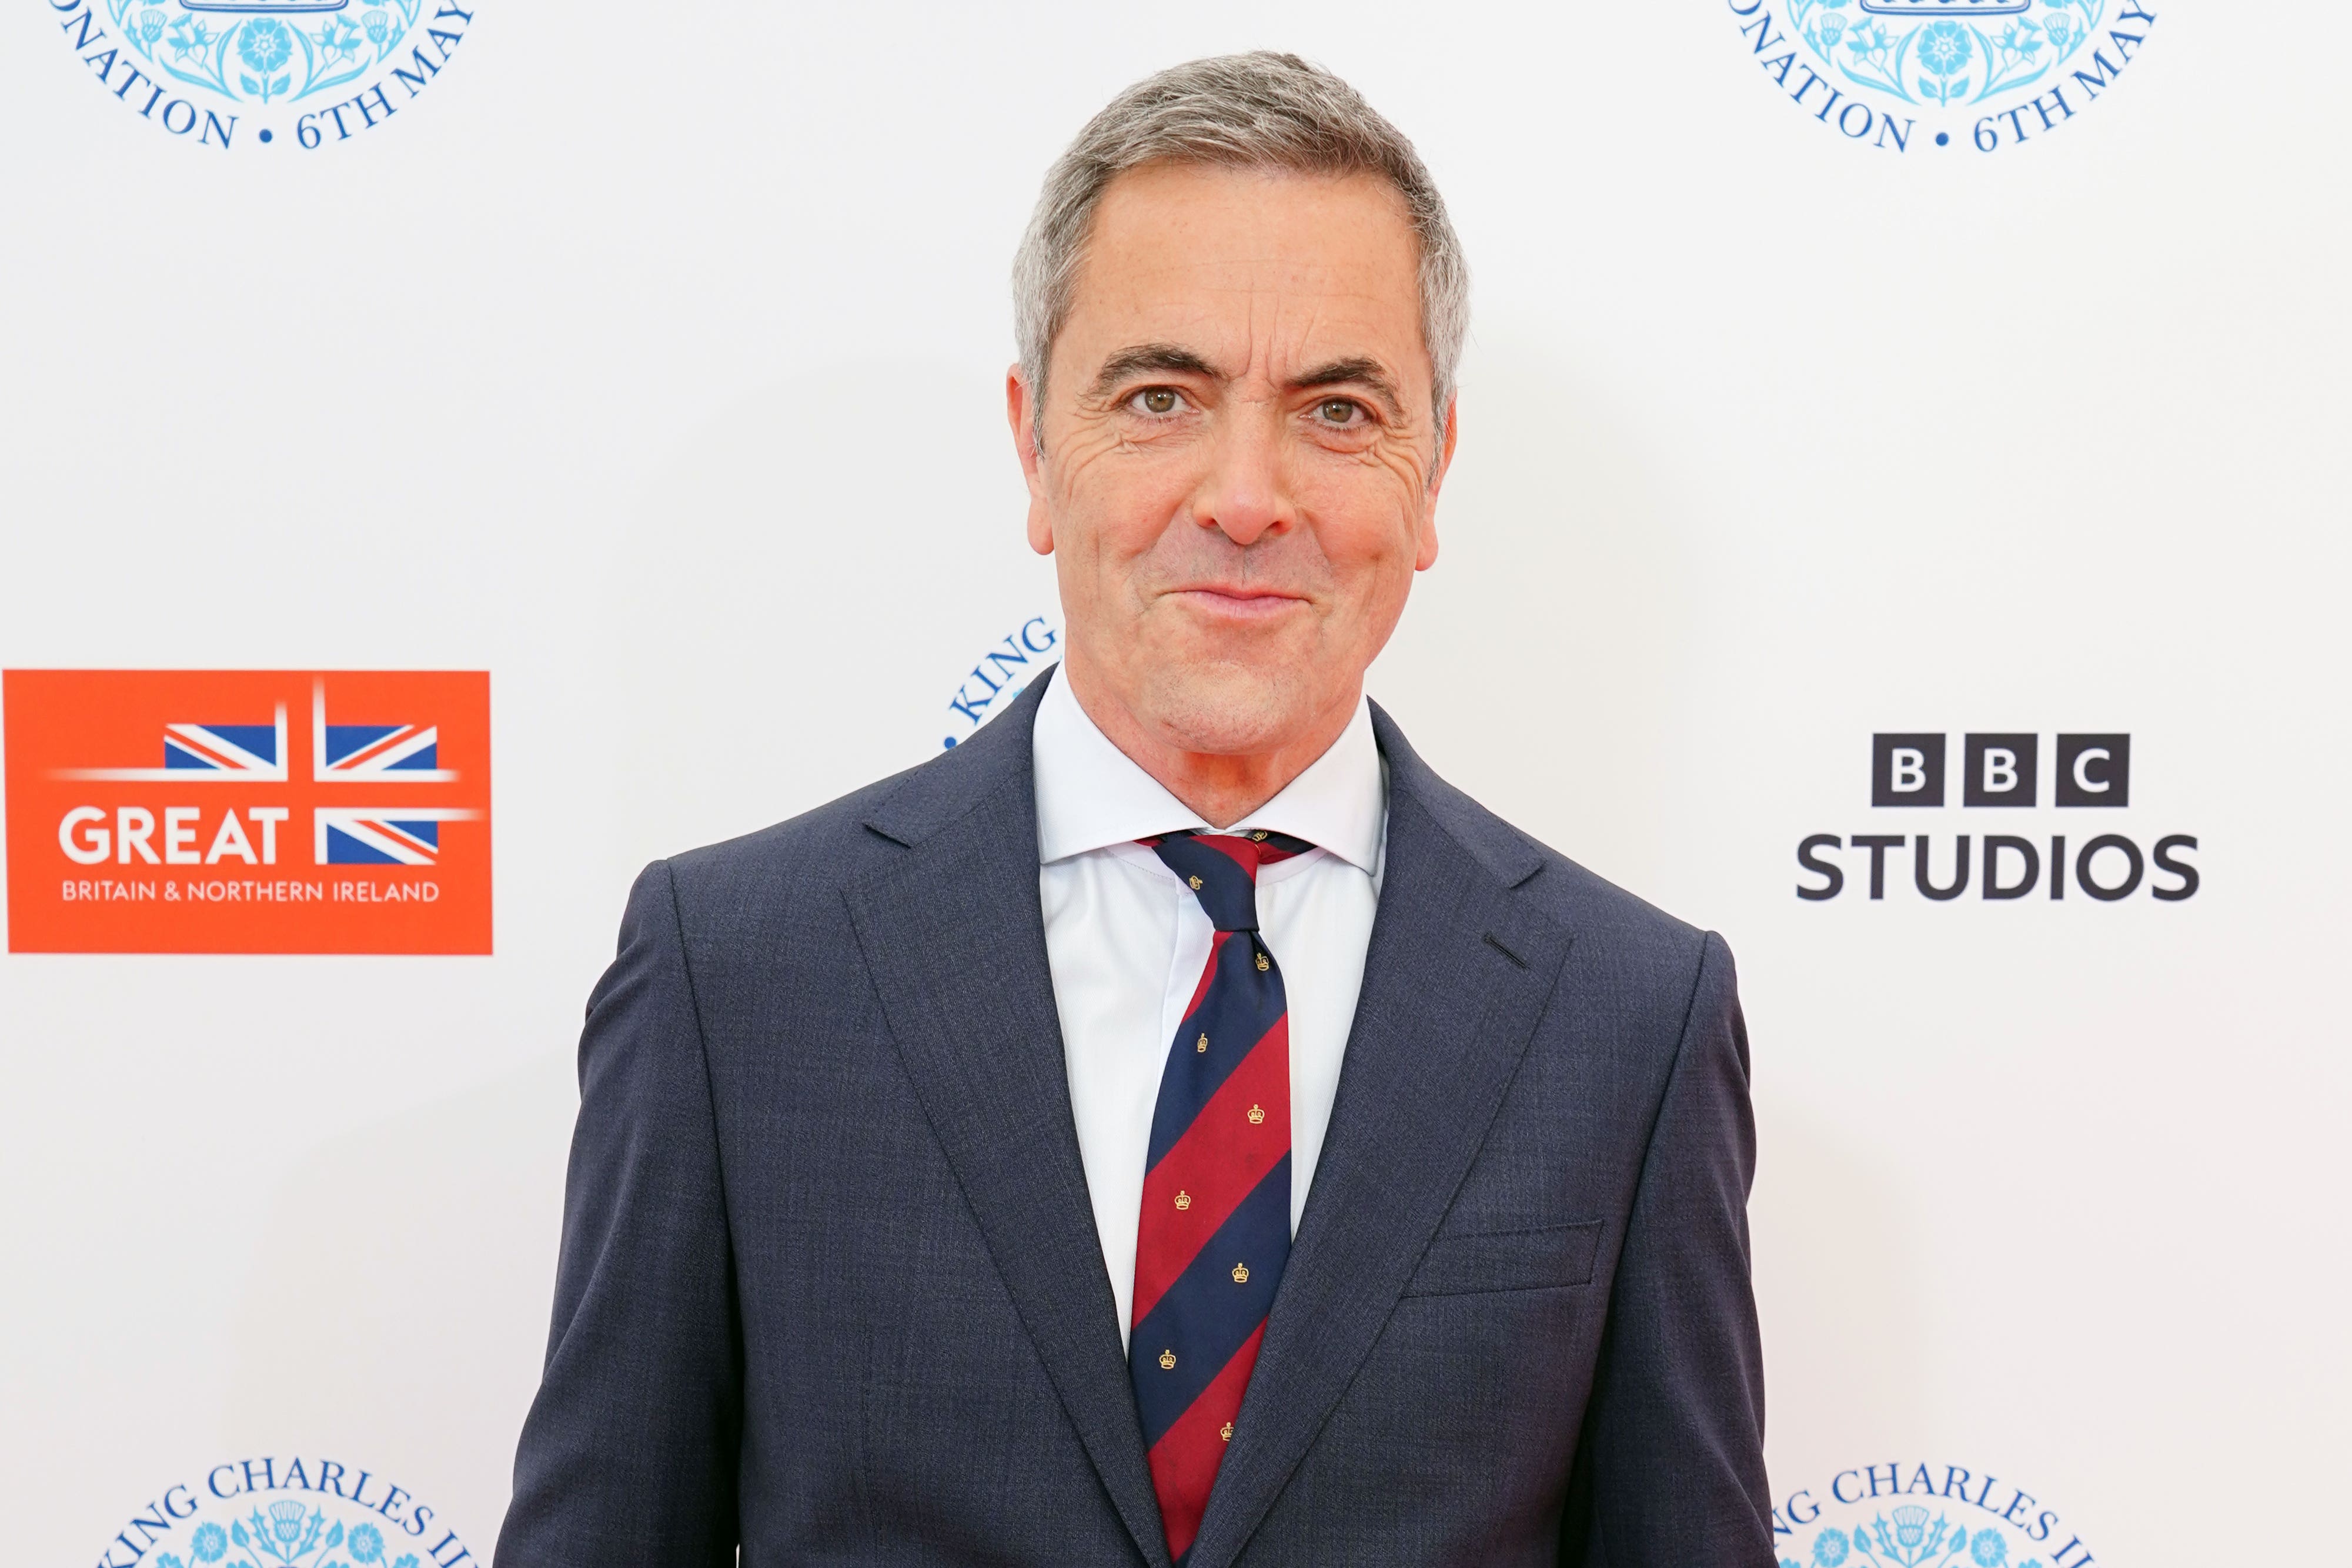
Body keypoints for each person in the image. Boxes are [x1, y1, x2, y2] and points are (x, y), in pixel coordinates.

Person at [496, 52, 1772, 1568]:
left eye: (1339, 409)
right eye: (1160, 397)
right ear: (1037, 447)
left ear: (1435, 471)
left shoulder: (1630, 1015)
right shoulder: (737, 970)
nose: (1246, 496)